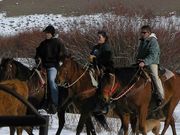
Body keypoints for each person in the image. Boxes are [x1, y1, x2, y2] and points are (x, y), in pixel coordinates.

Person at [35, 25, 66, 111]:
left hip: (53, 66)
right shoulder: (43, 43)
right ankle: (39, 101)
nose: (46, 34)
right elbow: (37, 53)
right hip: (43, 67)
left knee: (52, 81)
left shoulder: (58, 42)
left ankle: (55, 104)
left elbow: (63, 54)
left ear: (52, 33)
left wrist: (60, 61)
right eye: (45, 33)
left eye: (48, 33)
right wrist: (37, 58)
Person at [136, 25, 164, 105]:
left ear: (149, 33)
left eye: (144, 32)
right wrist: (138, 60)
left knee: (155, 76)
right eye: (141, 32)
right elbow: (140, 53)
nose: (142, 34)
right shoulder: (142, 41)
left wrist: (144, 62)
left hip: (152, 62)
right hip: (142, 62)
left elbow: (153, 55)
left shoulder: (153, 41)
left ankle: (160, 96)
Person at [89, 30, 114, 113]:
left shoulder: (106, 47)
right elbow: (91, 55)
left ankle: (104, 106)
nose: (98, 38)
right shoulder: (95, 47)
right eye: (98, 37)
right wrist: (90, 59)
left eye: (100, 37)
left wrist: (95, 59)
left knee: (103, 84)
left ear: (104, 38)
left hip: (105, 68)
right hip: (95, 67)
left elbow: (106, 58)